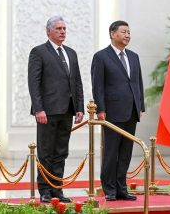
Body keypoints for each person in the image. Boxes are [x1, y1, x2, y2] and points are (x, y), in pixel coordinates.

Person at [28, 16, 84, 203]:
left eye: (64, 29)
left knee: (61, 152)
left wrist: (79, 108)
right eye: (59, 28)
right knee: (46, 152)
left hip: (67, 110)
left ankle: (57, 189)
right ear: (48, 31)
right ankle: (44, 190)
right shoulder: (39, 52)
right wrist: (38, 109)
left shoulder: (71, 53)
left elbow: (77, 82)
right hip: (47, 111)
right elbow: (34, 83)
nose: (62, 32)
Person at [91, 20, 145, 201]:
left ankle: (122, 188)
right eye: (124, 32)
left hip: (131, 111)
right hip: (112, 112)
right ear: (113, 34)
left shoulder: (134, 56)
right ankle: (110, 189)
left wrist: (141, 105)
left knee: (125, 152)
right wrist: (100, 109)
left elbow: (138, 83)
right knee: (111, 151)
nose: (127, 35)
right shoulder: (101, 57)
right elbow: (97, 85)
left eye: (129, 32)